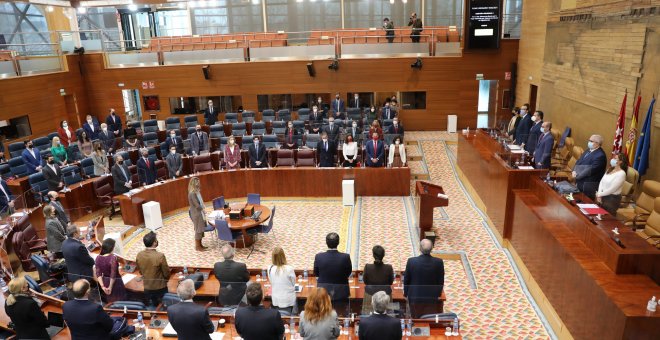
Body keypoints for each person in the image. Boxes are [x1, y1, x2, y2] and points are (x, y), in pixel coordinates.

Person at [404, 239, 445, 318]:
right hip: (432, 297)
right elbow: (441, 281)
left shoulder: (411, 261)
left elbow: (406, 279)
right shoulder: (439, 262)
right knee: (429, 318)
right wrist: (438, 294)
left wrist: (406, 294)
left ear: (420, 248)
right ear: (432, 249)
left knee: (415, 317)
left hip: (415, 297)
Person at [314, 232, 352, 316]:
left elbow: (316, 273)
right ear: (338, 243)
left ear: (326, 243)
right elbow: (348, 272)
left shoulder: (319, 256)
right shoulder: (345, 257)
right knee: (341, 314)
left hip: (323, 291)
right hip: (341, 291)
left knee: (322, 315)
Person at [135, 231, 170, 307]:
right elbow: (166, 273)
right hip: (160, 287)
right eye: (156, 240)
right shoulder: (160, 256)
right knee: (165, 305)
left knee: (153, 305)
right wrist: (166, 279)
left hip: (147, 287)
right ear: (154, 243)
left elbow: (140, 271)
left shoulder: (139, 255)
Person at [572, 134, 607, 199]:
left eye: (591, 141)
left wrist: (577, 175)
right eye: (589, 140)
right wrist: (574, 170)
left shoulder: (600, 156)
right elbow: (579, 161)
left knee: (583, 202)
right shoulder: (588, 150)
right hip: (580, 181)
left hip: (588, 185)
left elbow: (590, 170)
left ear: (597, 143)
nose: (589, 142)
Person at [361, 245, 394, 315]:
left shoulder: (367, 267)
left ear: (373, 255)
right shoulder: (389, 268)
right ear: (383, 255)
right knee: (388, 318)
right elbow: (391, 282)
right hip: (385, 296)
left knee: (368, 317)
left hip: (370, 295)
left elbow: (365, 281)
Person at [95, 238, 127, 303]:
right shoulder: (113, 258)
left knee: (111, 300)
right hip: (115, 283)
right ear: (111, 247)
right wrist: (110, 287)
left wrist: (103, 286)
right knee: (120, 300)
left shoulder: (98, 257)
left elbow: (98, 273)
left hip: (105, 281)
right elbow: (113, 275)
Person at [267, 247, 296, 314]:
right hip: (288, 300)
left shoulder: (270, 268)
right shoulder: (289, 269)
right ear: (283, 256)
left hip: (276, 300)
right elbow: (293, 283)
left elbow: (271, 282)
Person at [188, 177, 209, 251]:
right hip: (197, 214)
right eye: (197, 182)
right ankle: (197, 246)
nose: (199, 184)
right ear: (194, 183)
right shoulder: (192, 193)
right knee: (198, 230)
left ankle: (200, 244)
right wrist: (203, 210)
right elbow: (197, 205)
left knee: (201, 229)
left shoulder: (197, 192)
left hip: (199, 213)